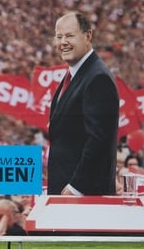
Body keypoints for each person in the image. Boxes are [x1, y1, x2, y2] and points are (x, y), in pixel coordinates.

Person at [47, 12, 120, 195]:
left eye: (69, 35)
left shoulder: (97, 78)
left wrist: (76, 187)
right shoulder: (74, 75)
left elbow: (99, 140)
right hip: (66, 193)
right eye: (59, 36)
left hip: (82, 198)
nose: (63, 42)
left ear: (88, 36)